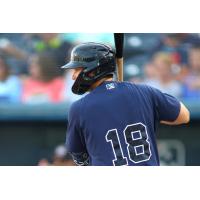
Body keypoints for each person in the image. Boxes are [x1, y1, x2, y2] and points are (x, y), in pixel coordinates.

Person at [62, 42, 190, 166]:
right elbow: (184, 115)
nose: (73, 76)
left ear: (93, 71)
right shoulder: (144, 91)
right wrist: (150, 115)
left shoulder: (78, 108)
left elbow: (78, 154)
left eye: (77, 69)